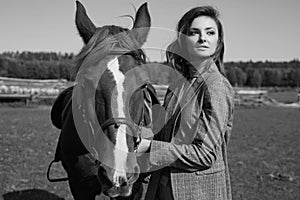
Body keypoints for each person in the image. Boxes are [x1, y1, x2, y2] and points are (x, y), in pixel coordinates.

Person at [136, 5, 235, 200]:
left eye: (210, 32)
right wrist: (132, 137)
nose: (203, 38)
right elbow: (167, 135)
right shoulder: (179, 83)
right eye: (194, 32)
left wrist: (148, 147)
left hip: (197, 192)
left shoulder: (215, 86)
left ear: (218, 40)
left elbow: (205, 155)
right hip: (162, 189)